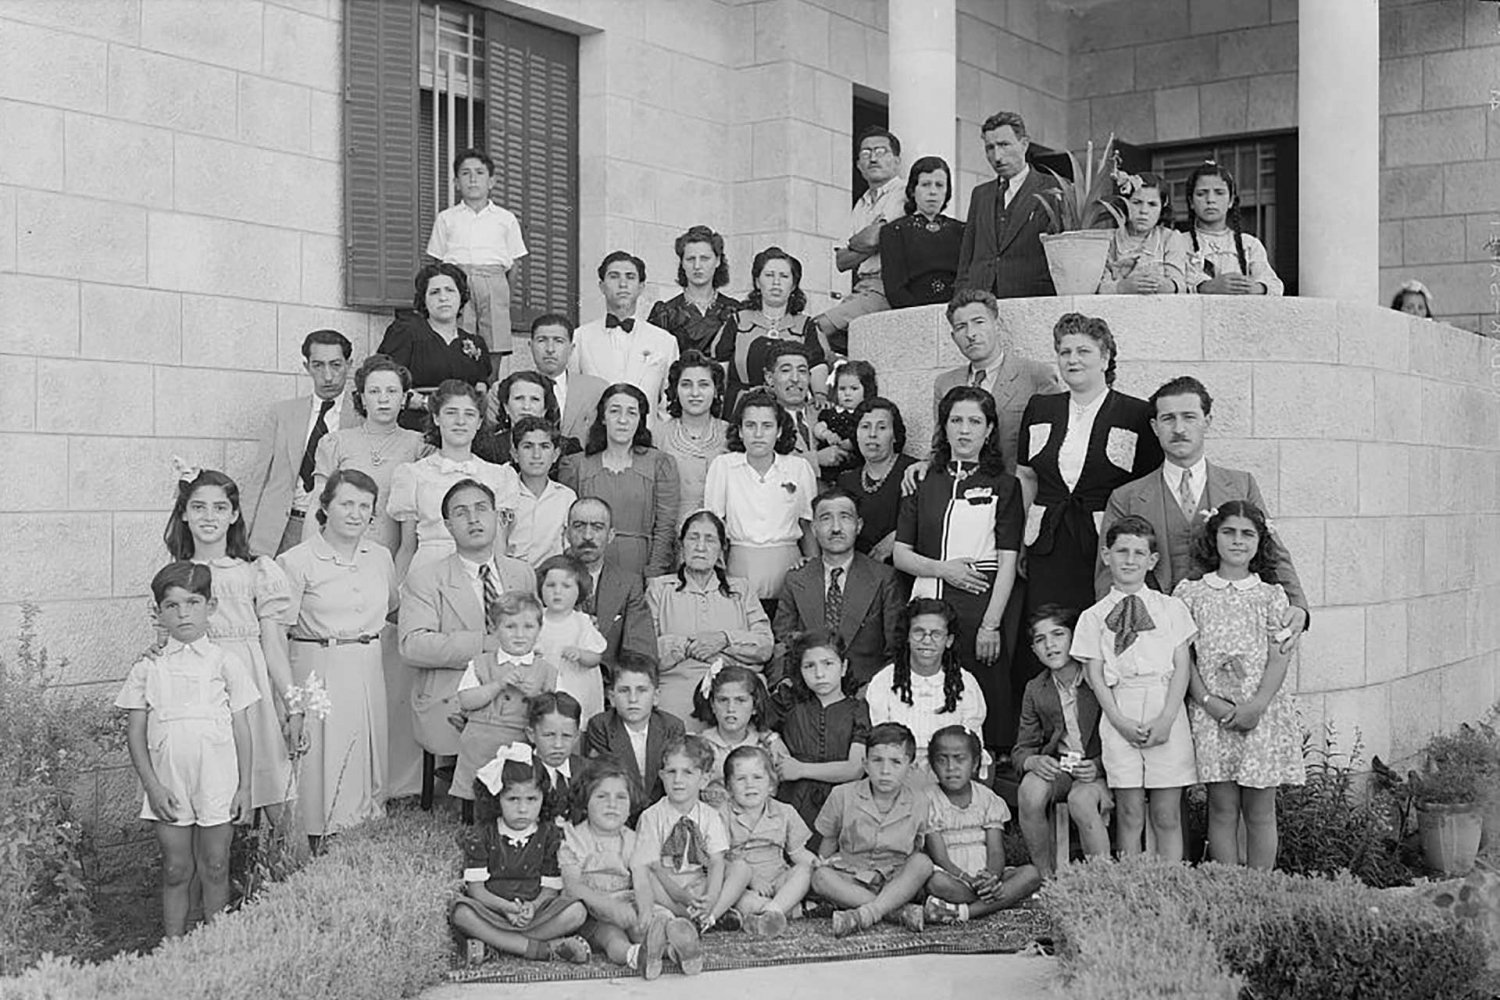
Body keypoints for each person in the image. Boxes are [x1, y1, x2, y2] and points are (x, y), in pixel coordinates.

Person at [1097, 376, 1308, 648]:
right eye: (1168, 419)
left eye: (1189, 417)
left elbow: (1271, 552)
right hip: (1154, 635)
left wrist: (1298, 605)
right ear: (1154, 426)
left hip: (1230, 632)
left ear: (1207, 421)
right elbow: (1107, 574)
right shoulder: (1126, 497)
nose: (1179, 428)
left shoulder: (1241, 485)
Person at [116, 561, 257, 938]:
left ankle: (216, 946)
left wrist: (244, 787)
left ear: (210, 607)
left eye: (193, 603)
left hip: (218, 781)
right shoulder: (148, 668)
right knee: (177, 868)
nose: (183, 614)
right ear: (158, 612)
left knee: (215, 864)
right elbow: (135, 732)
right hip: (169, 784)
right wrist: (153, 787)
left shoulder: (227, 663)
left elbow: (242, 728)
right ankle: (173, 950)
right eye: (172, 606)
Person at [164, 467, 297, 830]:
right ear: (184, 513)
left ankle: (297, 878)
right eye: (199, 507)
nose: (209, 517)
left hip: (249, 689)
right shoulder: (177, 575)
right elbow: (168, 643)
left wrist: (293, 704)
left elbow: (273, 644)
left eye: (220, 508)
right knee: (208, 800)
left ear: (234, 514)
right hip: (199, 693)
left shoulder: (256, 571)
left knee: (277, 797)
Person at [1017, 313, 1163, 639]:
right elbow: (1027, 477)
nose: (1072, 359)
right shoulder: (1040, 408)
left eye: (1083, 351)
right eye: (1064, 352)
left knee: (1099, 632)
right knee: (1047, 630)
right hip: (1047, 543)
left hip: (1104, 546)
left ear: (1105, 357)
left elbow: (1147, 487)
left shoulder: (1136, 413)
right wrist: (1020, 541)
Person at [1174, 501, 1303, 869]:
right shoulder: (1191, 594)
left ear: (1260, 541)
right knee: (1222, 805)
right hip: (1213, 714)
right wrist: (1206, 700)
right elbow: (1184, 658)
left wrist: (1257, 705)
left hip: (1261, 713)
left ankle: (1259, 885)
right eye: (1228, 531)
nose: (1237, 541)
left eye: (1248, 534)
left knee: (1260, 809)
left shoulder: (1271, 595)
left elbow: (1280, 655)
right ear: (1213, 537)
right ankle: (1229, 883)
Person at [895, 387, 1022, 751]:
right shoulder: (920, 480)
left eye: (974, 421)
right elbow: (902, 555)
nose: (964, 430)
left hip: (980, 608)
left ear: (989, 429)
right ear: (944, 426)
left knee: (984, 701)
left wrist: (991, 624)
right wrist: (943, 569)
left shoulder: (1005, 485)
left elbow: (1008, 561)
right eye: (956, 420)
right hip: (927, 607)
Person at [277, 469, 399, 840]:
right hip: (317, 667)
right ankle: (313, 837)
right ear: (325, 506)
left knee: (365, 754)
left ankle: (360, 832)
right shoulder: (297, 561)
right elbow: (278, 633)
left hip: (368, 664)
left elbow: (393, 609)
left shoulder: (379, 557)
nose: (356, 513)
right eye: (346, 503)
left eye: (365, 506)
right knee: (319, 760)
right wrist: (290, 701)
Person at [1073, 516, 1198, 861]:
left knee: (1166, 814)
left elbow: (1182, 666)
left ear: (1152, 560)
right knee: (1129, 813)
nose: (1130, 560)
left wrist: (1167, 718)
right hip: (1120, 709)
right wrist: (1119, 721)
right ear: (1106, 555)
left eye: (1139, 553)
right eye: (1122, 551)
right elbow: (1095, 675)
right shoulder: (1094, 617)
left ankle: (1169, 886)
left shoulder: (1171, 608)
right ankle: (1132, 888)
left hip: (1164, 708)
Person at [398, 478, 536, 766]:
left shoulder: (522, 574)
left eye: (481, 509)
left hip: (516, 694)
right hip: (453, 695)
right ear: (448, 526)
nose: (473, 519)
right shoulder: (426, 579)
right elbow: (412, 646)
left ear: (497, 517)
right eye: (461, 513)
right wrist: (485, 644)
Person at [449, 743, 591, 965]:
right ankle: (540, 949)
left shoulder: (550, 835)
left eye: (532, 799)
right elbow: (476, 890)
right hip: (493, 910)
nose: (523, 809)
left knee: (577, 912)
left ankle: (497, 946)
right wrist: (507, 908)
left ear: (544, 797)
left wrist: (531, 907)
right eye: (513, 799)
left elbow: (550, 888)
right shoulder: (482, 834)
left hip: (536, 911)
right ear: (496, 799)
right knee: (461, 913)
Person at [387, 380, 522, 581]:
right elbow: (407, 546)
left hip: (478, 572)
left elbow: (499, 545)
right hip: (428, 571)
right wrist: (397, 595)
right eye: (451, 413)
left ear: (478, 422)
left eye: (469, 414)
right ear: (436, 418)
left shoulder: (499, 476)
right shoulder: (413, 474)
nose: (460, 421)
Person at [648, 510, 774, 723]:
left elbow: (764, 646)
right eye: (693, 538)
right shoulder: (660, 589)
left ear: (722, 548)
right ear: (681, 545)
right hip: (676, 687)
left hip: (735, 689)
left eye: (710, 540)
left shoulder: (741, 589)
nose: (700, 547)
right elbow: (644, 650)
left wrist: (724, 640)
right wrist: (687, 645)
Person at [1013, 606, 1111, 877]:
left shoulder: (1099, 678)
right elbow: (1022, 748)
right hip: (1065, 770)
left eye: (1058, 634)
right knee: (1030, 790)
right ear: (1033, 649)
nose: (1050, 645)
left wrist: (1099, 766)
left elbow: (1123, 737)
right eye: (1040, 639)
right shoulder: (1036, 688)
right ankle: (1047, 878)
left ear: (1075, 637)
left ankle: (1104, 882)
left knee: (1081, 799)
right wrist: (1034, 761)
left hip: (1105, 771)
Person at [242, 329, 359, 556]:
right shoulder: (282, 413)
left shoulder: (361, 418)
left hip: (335, 528)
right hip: (281, 529)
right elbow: (259, 479)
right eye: (318, 365)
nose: (327, 376)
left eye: (335, 365)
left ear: (349, 364)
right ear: (307, 367)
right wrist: (241, 535)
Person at [772, 487, 902, 690]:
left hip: (866, 691)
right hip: (806, 692)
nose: (835, 528)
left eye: (845, 517)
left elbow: (896, 647)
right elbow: (782, 644)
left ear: (858, 525)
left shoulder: (884, 578)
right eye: (825, 519)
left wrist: (878, 689)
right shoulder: (797, 579)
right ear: (814, 528)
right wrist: (784, 684)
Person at [810, 722, 933, 937]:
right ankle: (895, 911)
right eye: (877, 761)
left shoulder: (920, 801)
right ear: (865, 764)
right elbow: (829, 839)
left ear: (911, 768)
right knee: (820, 877)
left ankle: (866, 913)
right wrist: (823, 863)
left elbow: (918, 846)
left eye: (896, 762)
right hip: (852, 875)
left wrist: (907, 879)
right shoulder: (842, 795)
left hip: (894, 879)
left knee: (922, 863)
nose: (885, 771)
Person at [630, 736, 742, 966]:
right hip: (665, 888)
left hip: (697, 887)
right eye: (671, 772)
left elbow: (716, 863)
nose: (678, 780)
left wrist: (709, 899)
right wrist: (680, 899)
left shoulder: (710, 816)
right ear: (661, 776)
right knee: (645, 875)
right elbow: (654, 868)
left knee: (740, 868)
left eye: (688, 773)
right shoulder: (652, 817)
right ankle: (678, 921)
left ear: (704, 779)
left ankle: (709, 917)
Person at [704, 388, 818, 613]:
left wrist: (813, 571)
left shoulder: (799, 468)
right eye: (750, 425)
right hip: (739, 571)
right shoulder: (723, 466)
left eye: (767, 426)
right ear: (739, 430)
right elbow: (712, 525)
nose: (758, 434)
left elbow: (808, 526)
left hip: (789, 573)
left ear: (778, 431)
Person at [558, 759, 672, 978]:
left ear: (631, 804)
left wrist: (645, 911)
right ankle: (634, 956)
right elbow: (572, 886)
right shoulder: (575, 838)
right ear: (585, 801)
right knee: (612, 936)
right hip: (593, 912)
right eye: (602, 796)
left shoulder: (634, 840)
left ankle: (674, 949)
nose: (612, 804)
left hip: (628, 906)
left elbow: (642, 883)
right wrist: (609, 907)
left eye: (621, 797)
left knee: (649, 925)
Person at [931, 289, 1063, 476]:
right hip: (959, 492)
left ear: (997, 325)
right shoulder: (945, 383)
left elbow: (1055, 445)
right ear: (953, 337)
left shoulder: (1036, 376)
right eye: (961, 327)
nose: (971, 334)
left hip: (1018, 492)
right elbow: (939, 445)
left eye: (978, 322)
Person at [305, 354, 426, 552]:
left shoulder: (420, 446)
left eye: (392, 391)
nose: (383, 399)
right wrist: (308, 558)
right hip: (339, 554)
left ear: (404, 398)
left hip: (397, 556)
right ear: (362, 398)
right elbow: (317, 505)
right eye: (374, 391)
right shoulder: (335, 443)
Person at [557, 384, 679, 579]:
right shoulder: (575, 465)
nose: (623, 420)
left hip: (640, 568)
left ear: (640, 420)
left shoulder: (660, 464)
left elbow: (665, 527)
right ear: (603, 417)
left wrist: (654, 575)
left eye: (632, 413)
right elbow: (568, 527)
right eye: (615, 411)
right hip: (587, 569)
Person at [922, 726, 1039, 923]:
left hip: (987, 876)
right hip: (953, 877)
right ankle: (1006, 900)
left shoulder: (987, 799)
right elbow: (939, 857)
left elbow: (995, 851)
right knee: (936, 883)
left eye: (960, 759)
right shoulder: (927, 801)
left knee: (1031, 873)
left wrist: (991, 878)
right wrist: (968, 880)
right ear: (933, 766)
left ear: (975, 763)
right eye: (942, 760)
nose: (951, 768)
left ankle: (965, 912)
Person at [425, 148, 528, 369]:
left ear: (491, 181)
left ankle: (490, 390)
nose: (473, 179)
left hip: (494, 281)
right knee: (459, 338)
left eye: (480, 173)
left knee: (494, 342)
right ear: (455, 182)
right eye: (465, 173)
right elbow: (437, 262)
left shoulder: (505, 219)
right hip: (458, 281)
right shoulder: (446, 218)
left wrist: (501, 294)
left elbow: (515, 264)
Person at [453, 590, 558, 807]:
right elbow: (466, 700)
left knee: (518, 784)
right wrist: (498, 684)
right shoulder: (480, 663)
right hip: (481, 738)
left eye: (528, 627)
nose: (519, 634)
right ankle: (474, 817)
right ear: (494, 629)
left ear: (539, 629)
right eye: (510, 627)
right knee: (477, 782)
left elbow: (555, 711)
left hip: (521, 739)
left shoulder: (547, 671)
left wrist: (537, 697)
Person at [813, 127, 907, 355]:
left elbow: (877, 237)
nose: (873, 158)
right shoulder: (861, 203)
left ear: (896, 161)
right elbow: (842, 261)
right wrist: (869, 238)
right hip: (861, 287)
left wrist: (866, 239)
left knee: (816, 328)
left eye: (880, 151)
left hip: (885, 287)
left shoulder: (903, 194)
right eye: (866, 153)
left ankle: (825, 386)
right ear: (858, 165)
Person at [770, 630, 871, 831]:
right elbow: (757, 721)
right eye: (809, 666)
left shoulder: (857, 710)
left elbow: (855, 768)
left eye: (828, 664)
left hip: (842, 802)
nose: (819, 674)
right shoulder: (789, 703)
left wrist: (801, 769)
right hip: (792, 801)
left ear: (843, 667)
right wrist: (771, 737)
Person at [864, 599, 988, 760]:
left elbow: (970, 744)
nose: (927, 640)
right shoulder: (883, 682)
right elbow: (880, 742)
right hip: (897, 772)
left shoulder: (966, 683)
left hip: (948, 774)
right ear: (907, 636)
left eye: (936, 634)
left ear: (948, 640)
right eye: (918, 632)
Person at [711, 246, 830, 413]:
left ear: (793, 284)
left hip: (790, 410)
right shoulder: (738, 321)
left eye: (784, 276)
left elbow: (817, 365)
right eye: (769, 275)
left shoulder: (807, 326)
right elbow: (719, 367)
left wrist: (820, 394)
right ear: (757, 282)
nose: (776, 282)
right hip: (740, 408)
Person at [377, 264, 494, 432]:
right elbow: (384, 379)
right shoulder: (406, 332)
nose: (443, 298)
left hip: (463, 430)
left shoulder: (475, 343)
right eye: (434, 292)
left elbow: (481, 387)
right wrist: (429, 404)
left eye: (450, 290)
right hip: (416, 428)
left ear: (461, 296)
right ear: (423, 299)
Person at [954, 111, 1059, 299]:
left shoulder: (1054, 189)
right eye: (990, 148)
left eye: (1004, 145)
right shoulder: (980, 194)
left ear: (1024, 144)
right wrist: (961, 300)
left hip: (1031, 300)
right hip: (980, 303)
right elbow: (966, 257)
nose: (997, 156)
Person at [719, 744, 816, 937]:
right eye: (741, 779)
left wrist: (818, 864)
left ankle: (771, 911)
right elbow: (719, 860)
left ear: (771, 784)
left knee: (804, 872)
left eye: (757, 777)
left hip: (778, 879)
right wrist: (752, 880)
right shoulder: (722, 814)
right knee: (739, 898)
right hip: (744, 884)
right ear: (729, 788)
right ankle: (786, 910)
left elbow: (797, 853)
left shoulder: (784, 811)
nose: (750, 785)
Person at [570, 251, 679, 411]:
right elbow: (574, 396)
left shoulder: (665, 342)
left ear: (641, 287)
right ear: (602, 286)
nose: (622, 284)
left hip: (648, 434)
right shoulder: (580, 337)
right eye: (614, 276)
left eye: (630, 277)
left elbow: (668, 404)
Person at [584, 652, 687, 819]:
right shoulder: (600, 726)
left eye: (642, 690)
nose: (633, 699)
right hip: (618, 813)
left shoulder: (672, 727)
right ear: (611, 697)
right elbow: (604, 778)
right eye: (624, 690)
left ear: (655, 697)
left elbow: (673, 776)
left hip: (663, 814)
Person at [563, 497, 658, 664]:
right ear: (567, 533)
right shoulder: (546, 578)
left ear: (611, 535)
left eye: (598, 527)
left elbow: (640, 652)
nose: (587, 536)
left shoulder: (629, 585)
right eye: (579, 526)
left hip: (609, 684)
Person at [654, 350, 730, 529]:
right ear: (675, 390)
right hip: (672, 533)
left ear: (716, 390)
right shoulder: (658, 436)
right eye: (686, 385)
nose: (695, 393)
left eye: (704, 385)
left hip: (722, 534)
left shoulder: (732, 434)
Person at [836, 397, 917, 563]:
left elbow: (931, 521)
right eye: (865, 427)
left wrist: (897, 538)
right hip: (862, 576)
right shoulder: (846, 481)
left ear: (895, 435)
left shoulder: (914, 471)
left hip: (907, 573)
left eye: (882, 427)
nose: (872, 434)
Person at [691, 663, 784, 807]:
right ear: (712, 705)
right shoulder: (698, 746)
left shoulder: (767, 747)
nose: (731, 708)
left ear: (755, 706)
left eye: (740, 700)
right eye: (723, 700)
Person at [1184, 162, 1283, 295]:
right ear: (1191, 202)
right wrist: (1205, 287)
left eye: (1219, 193)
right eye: (1202, 193)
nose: (1210, 200)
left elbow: (1275, 285)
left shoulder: (1249, 244)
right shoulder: (1177, 242)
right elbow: (1174, 283)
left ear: (1231, 200)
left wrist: (1256, 288)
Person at [880, 155, 965, 308]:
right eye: (926, 184)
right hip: (913, 313)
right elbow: (894, 288)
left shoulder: (963, 231)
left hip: (958, 312)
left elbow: (968, 277)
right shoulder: (894, 231)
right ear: (913, 190)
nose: (933, 191)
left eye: (939, 185)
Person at [534, 555, 608, 725]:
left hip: (577, 688)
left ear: (579, 590)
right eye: (550, 585)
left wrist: (581, 654)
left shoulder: (582, 622)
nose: (557, 591)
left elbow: (596, 657)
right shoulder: (535, 620)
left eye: (566, 586)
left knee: (575, 726)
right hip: (544, 689)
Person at [649, 226, 741, 355]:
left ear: (718, 261)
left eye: (704, 258)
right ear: (682, 263)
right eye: (690, 259)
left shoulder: (736, 311)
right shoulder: (665, 313)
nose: (697, 266)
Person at [1099, 170, 1188, 295]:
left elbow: (1181, 285)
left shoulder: (1170, 238)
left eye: (1152, 204)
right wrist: (1122, 287)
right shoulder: (1108, 240)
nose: (1144, 211)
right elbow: (1098, 287)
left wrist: (1164, 285)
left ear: (1162, 207)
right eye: (1136, 203)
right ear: (1124, 203)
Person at [763, 342, 845, 476]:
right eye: (785, 371)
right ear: (770, 378)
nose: (795, 379)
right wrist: (815, 459)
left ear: (809, 377)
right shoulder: (761, 419)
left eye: (802, 371)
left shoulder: (826, 411)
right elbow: (761, 463)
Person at [507, 417, 576, 568]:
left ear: (556, 454)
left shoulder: (566, 497)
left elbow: (569, 546)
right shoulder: (504, 493)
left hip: (551, 578)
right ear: (515, 453)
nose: (536, 455)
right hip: (510, 577)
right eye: (527, 446)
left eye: (544, 447)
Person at [529, 314, 608, 443]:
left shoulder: (598, 390)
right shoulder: (507, 388)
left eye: (558, 341)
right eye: (542, 340)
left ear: (571, 349)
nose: (550, 349)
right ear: (530, 346)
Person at [526, 691, 585, 829]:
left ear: (577, 737)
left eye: (566, 736)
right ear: (531, 735)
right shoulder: (520, 772)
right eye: (549, 735)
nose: (558, 744)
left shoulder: (588, 773)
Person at [483, 371, 567, 464]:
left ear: (545, 409)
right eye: (519, 398)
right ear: (506, 406)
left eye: (535, 399)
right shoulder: (487, 448)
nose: (526, 406)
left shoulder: (565, 448)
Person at [812, 359, 874, 484]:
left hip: (855, 467)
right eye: (842, 389)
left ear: (866, 390)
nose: (847, 393)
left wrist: (853, 443)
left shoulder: (867, 415)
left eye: (854, 389)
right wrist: (826, 434)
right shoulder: (831, 413)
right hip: (828, 466)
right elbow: (818, 427)